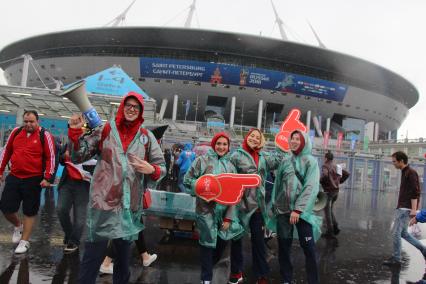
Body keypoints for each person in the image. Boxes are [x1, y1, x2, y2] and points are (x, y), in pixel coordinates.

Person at [67, 92, 166, 283]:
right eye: (128, 105)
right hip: (103, 203)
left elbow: (161, 167)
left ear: (140, 111)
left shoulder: (146, 137)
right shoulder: (104, 130)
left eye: (135, 107)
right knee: (92, 257)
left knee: (122, 260)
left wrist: (151, 169)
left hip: (130, 208)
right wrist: (74, 133)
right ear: (122, 107)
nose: (131, 109)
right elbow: (78, 156)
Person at [184, 132, 244, 284]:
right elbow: (187, 180)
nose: (221, 147)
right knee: (206, 245)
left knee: (221, 244)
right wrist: (200, 187)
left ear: (228, 147)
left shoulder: (231, 166)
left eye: (224, 144)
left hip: (224, 213)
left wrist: (229, 217)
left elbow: (235, 194)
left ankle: (207, 269)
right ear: (213, 144)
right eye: (219, 143)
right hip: (206, 212)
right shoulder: (201, 161)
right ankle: (206, 279)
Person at [229, 128, 283, 284]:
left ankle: (262, 274)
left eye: (257, 137)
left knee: (258, 241)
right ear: (247, 138)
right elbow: (228, 176)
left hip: (258, 207)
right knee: (237, 240)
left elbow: (279, 159)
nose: (254, 138)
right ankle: (236, 272)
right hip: (239, 206)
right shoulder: (236, 156)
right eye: (252, 136)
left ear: (261, 141)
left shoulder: (264, 157)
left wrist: (283, 142)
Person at [0, 110, 56, 254]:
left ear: (37, 121)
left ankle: (24, 242)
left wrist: (47, 177)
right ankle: (18, 226)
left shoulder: (45, 135)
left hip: (33, 178)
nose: (28, 124)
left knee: (29, 211)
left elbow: (51, 157)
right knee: (6, 208)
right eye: (26, 121)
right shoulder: (16, 132)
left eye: (31, 121)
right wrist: (0, 171)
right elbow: (6, 151)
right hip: (14, 176)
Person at [272, 130, 321, 284]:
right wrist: (274, 205)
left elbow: (311, 187)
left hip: (302, 213)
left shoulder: (310, 161)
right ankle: (286, 279)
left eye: (297, 139)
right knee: (284, 249)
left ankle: (313, 281)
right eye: (292, 138)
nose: (293, 141)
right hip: (283, 211)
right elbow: (278, 185)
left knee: (309, 249)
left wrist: (298, 209)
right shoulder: (285, 161)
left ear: (304, 141)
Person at [383, 151, 426, 266]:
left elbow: (415, 191)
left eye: (394, 161)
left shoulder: (410, 173)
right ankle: (423, 249)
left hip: (404, 208)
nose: (393, 164)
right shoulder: (405, 172)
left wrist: (413, 209)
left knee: (396, 233)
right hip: (403, 207)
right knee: (403, 233)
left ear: (401, 161)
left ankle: (397, 259)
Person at [56, 146, 94, 253]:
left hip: (84, 184)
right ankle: (70, 234)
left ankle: (74, 241)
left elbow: (100, 162)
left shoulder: (93, 142)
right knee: (61, 209)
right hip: (67, 182)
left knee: (80, 218)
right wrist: (64, 156)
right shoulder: (71, 141)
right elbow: (61, 160)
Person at [319, 151, 349, 238]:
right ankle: (335, 227)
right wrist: (339, 181)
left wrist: (320, 181)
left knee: (327, 212)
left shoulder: (325, 165)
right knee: (330, 210)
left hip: (328, 192)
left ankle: (330, 232)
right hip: (336, 192)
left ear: (326, 158)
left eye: (324, 157)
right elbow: (347, 174)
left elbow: (325, 175)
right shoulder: (337, 166)